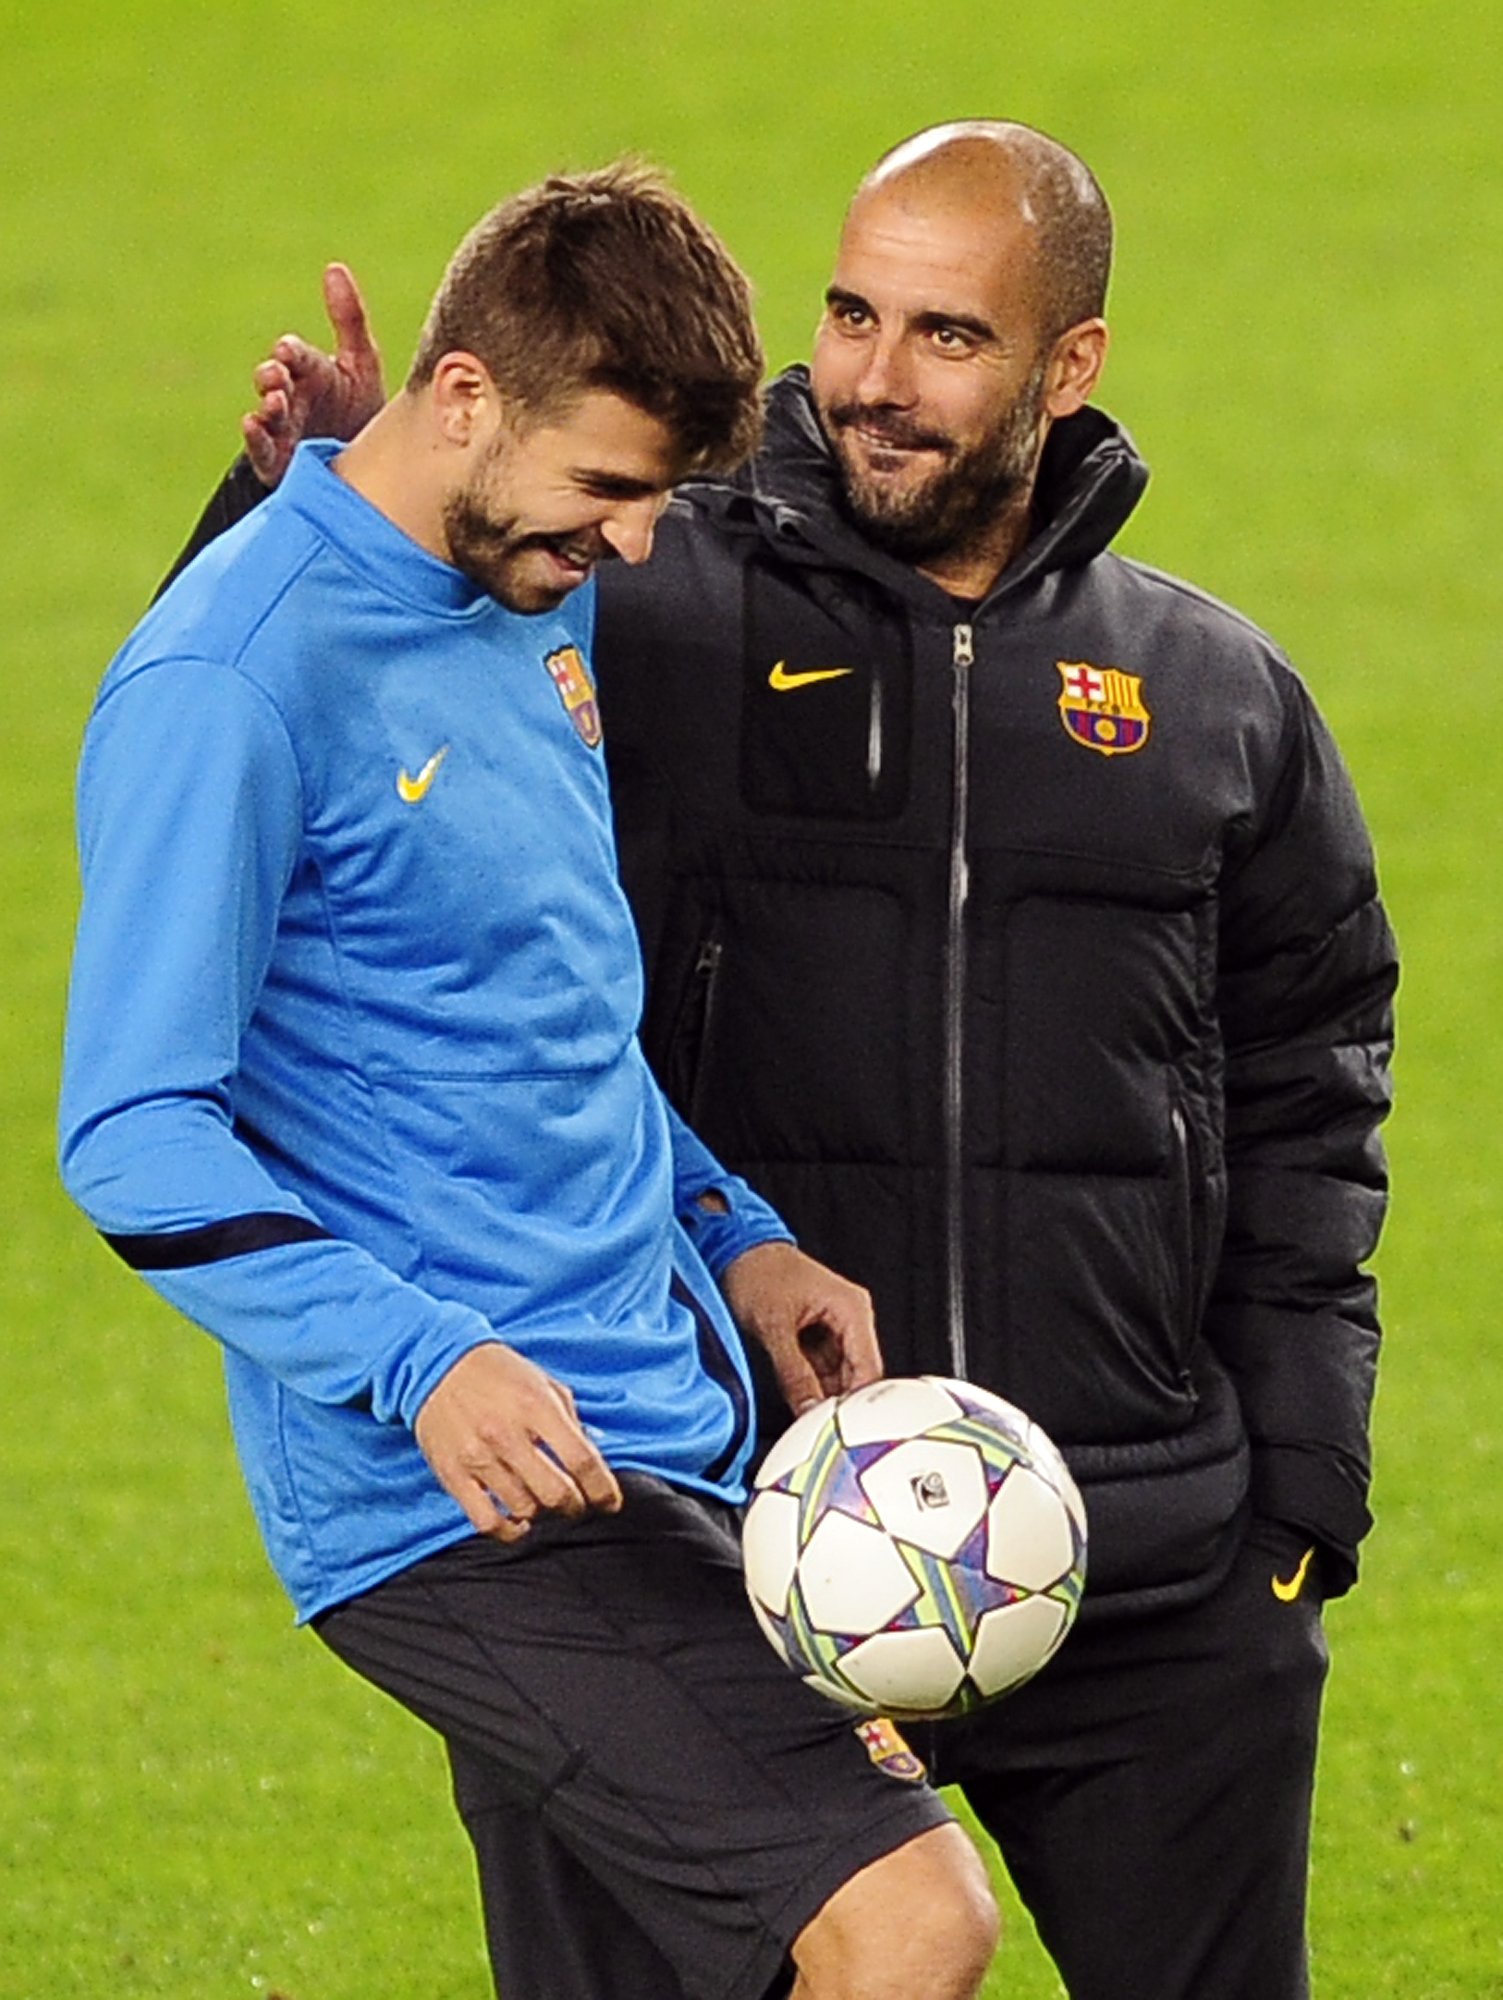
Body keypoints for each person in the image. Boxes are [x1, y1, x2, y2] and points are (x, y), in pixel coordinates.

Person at [166, 121, 1397, 2000]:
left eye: (949, 337)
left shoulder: (1215, 699)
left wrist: (1296, 1487)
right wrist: (317, 493)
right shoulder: (631, 586)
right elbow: (269, 740)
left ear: (1070, 367)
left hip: (1133, 1561)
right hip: (705, 1534)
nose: (877, 382)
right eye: (849, 315)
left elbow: (1313, 1084)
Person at [60, 163, 1004, 2000]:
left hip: (665, 1430)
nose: (640, 546)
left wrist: (736, 1233)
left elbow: (536, 1020)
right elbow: (134, 1134)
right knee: (908, 1923)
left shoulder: (520, 582)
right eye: (612, 491)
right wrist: (425, 1360)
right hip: (469, 1502)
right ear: (469, 397)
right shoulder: (230, 683)